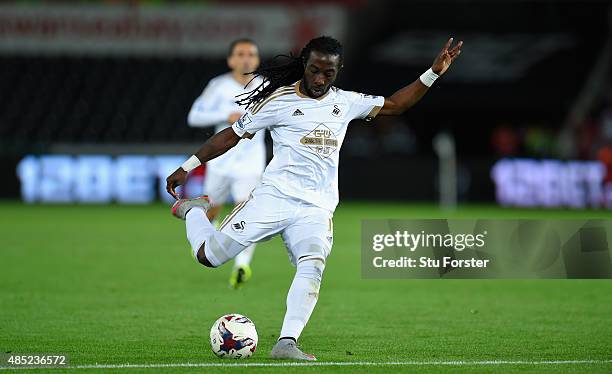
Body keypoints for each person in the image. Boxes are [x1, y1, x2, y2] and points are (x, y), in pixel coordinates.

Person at [167, 36, 462, 360]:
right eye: (315, 70)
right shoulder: (277, 101)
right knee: (209, 256)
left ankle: (286, 342)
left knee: (312, 265)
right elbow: (231, 136)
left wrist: (433, 72)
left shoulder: (347, 101)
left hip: (316, 207)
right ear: (305, 65)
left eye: (328, 72)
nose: (320, 79)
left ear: (339, 70)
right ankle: (193, 210)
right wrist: (189, 165)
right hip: (273, 197)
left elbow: (396, 104)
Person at [186, 38, 265, 289]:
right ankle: (207, 238)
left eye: (251, 54)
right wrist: (225, 115)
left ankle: (242, 263)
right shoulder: (218, 86)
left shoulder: (267, 87)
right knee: (212, 210)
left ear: (257, 60)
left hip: (251, 164)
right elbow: (194, 116)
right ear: (231, 60)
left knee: (246, 212)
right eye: (240, 54)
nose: (246, 59)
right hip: (220, 162)